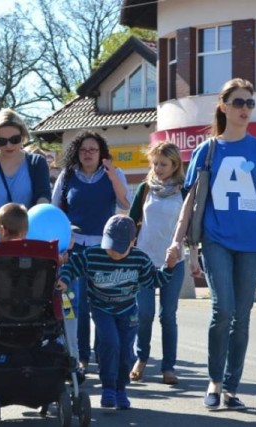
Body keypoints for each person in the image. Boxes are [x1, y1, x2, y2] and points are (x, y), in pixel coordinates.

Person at [169, 77, 256, 411]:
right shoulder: (207, 149)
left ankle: (230, 387)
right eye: (239, 103)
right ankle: (214, 382)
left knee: (242, 317)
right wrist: (179, 243)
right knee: (223, 310)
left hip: (252, 244)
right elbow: (192, 203)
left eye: (250, 103)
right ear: (224, 107)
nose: (246, 109)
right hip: (217, 241)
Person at [56, 214, 178, 410]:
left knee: (125, 351)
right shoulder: (93, 254)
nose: (113, 252)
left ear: (133, 242)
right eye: (110, 245)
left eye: (120, 248)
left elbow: (155, 280)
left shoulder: (139, 259)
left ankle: (121, 388)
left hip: (128, 310)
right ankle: (108, 387)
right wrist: (64, 278)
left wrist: (169, 267)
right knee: (110, 343)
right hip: (101, 308)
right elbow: (72, 266)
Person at [51, 130, 131, 373]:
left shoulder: (114, 174)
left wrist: (112, 177)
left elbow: (125, 204)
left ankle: (104, 354)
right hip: (74, 247)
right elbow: (55, 210)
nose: (88, 154)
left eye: (93, 150)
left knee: (102, 303)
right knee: (77, 305)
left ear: (101, 153)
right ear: (77, 152)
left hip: (102, 249)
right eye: (83, 149)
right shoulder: (67, 176)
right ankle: (81, 356)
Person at [128, 142, 187, 385]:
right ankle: (141, 358)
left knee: (167, 316)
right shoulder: (145, 189)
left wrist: (193, 257)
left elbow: (190, 227)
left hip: (174, 261)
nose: (158, 168)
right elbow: (131, 222)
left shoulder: (184, 190)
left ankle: (168, 367)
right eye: (155, 163)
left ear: (175, 165)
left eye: (164, 164)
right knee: (144, 313)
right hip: (144, 260)